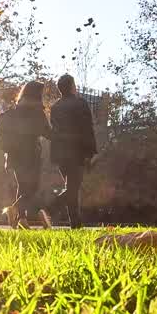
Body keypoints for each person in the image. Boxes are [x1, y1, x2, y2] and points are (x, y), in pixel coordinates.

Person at [0, 81, 51, 228]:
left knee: (23, 187)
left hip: (14, 155)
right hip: (31, 155)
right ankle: (14, 209)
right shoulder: (37, 113)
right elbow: (48, 133)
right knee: (32, 188)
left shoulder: (14, 111)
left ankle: (22, 219)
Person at [49, 74, 98, 229]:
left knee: (72, 187)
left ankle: (75, 224)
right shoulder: (80, 104)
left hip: (61, 153)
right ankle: (49, 208)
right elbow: (87, 128)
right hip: (77, 151)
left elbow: (55, 131)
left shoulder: (55, 107)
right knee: (73, 187)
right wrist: (90, 152)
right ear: (72, 86)